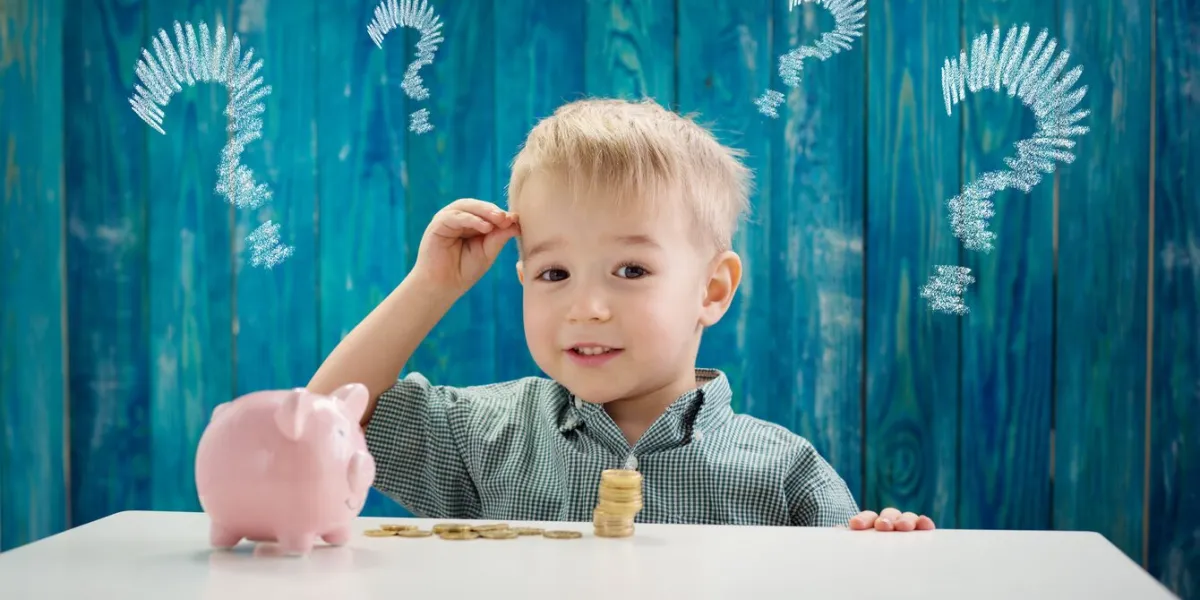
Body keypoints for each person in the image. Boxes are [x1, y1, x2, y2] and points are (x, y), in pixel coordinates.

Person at [307, 97, 935, 533]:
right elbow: (324, 422)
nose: (587, 307)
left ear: (712, 290)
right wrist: (431, 286)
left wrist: (878, 546)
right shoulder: (486, 434)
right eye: (555, 274)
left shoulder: (784, 473)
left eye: (630, 271)